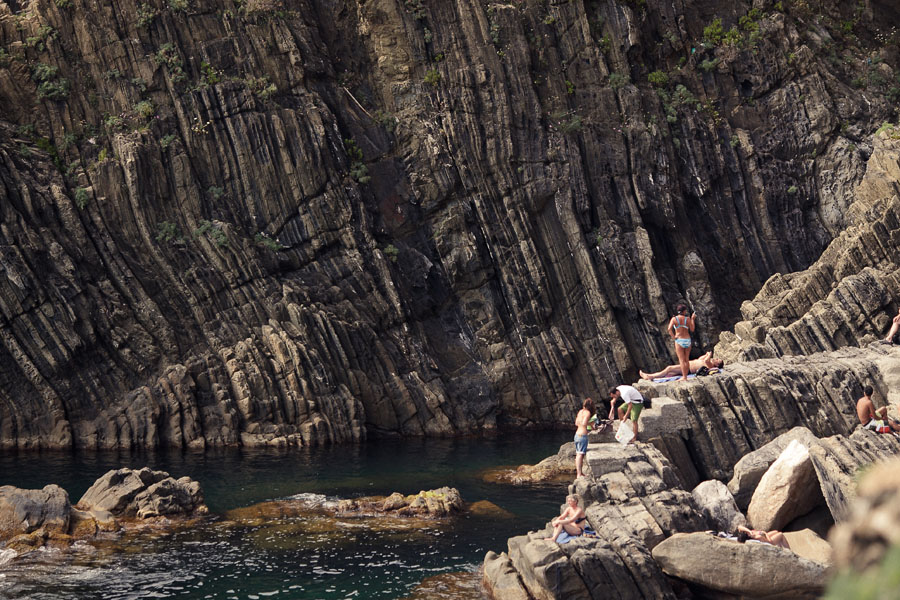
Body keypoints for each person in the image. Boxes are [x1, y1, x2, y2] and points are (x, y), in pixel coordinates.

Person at [639, 351, 724, 381]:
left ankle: (650, 376)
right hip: (686, 365)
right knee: (669, 373)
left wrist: (709, 356)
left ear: (717, 364)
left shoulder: (710, 365)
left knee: (669, 368)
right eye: (717, 358)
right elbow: (700, 359)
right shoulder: (707, 361)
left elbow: (705, 360)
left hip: (688, 369)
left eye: (717, 360)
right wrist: (706, 354)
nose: (715, 359)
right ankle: (652, 376)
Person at [668, 304, 696, 381]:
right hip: (687, 340)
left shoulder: (674, 319)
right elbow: (692, 329)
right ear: (684, 311)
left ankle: (684, 377)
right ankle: (685, 376)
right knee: (686, 359)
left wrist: (674, 337)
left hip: (679, 340)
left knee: (681, 360)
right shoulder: (687, 319)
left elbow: (669, 329)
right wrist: (692, 319)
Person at [574, 398, 595, 479]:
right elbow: (584, 423)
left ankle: (580, 472)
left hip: (576, 435)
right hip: (582, 436)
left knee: (579, 454)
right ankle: (579, 474)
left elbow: (576, 423)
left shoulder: (580, 411)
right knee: (580, 454)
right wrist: (591, 423)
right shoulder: (588, 412)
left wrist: (590, 424)